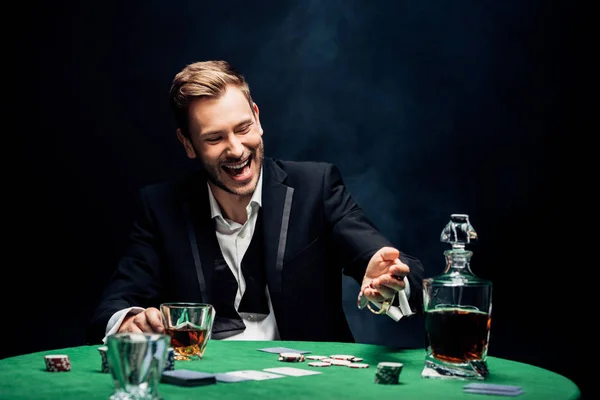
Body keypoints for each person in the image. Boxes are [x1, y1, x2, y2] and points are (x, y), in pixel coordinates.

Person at [85, 60, 424, 345]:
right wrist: (130, 322)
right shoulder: (160, 208)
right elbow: (115, 305)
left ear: (258, 119)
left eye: (243, 128)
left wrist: (391, 278)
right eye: (215, 138)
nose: (235, 149)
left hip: (308, 388)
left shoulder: (315, 187)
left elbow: (395, 267)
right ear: (188, 144)